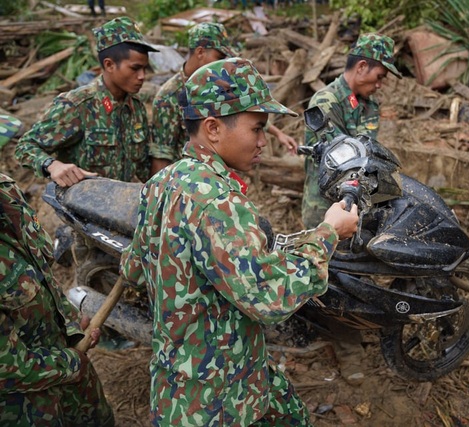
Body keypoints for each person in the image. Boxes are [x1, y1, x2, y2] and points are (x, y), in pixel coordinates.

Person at [119, 58, 359, 426]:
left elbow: (134, 268)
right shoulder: (218, 203)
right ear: (213, 129)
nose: (264, 141)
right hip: (219, 398)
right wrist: (328, 232)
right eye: (257, 129)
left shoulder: (163, 181)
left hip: (179, 384)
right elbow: (269, 298)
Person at [300, 32, 401, 385]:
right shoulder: (326, 102)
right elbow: (335, 163)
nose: (382, 82)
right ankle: (347, 349)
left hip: (363, 203)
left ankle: (355, 325)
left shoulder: (368, 103)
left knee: (358, 270)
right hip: (328, 207)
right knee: (335, 276)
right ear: (361, 66)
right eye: (380, 74)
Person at [0, 115, 114, 426]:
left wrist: (73, 328)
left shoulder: (6, 193)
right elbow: (6, 366)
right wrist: (69, 362)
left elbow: (40, 275)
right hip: (25, 408)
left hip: (74, 385)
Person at [15, 16, 158, 188]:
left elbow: (142, 165)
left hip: (118, 205)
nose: (142, 76)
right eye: (135, 68)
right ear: (109, 65)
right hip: (79, 208)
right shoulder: (77, 105)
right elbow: (25, 146)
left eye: (144, 68)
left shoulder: (135, 107)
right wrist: (52, 165)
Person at [149, 22, 297, 176]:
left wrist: (278, 133)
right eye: (219, 56)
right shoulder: (167, 96)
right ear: (200, 52)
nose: (223, 62)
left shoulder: (220, 85)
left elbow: (241, 113)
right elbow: (162, 155)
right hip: (187, 179)